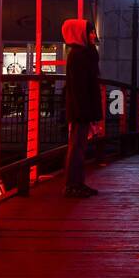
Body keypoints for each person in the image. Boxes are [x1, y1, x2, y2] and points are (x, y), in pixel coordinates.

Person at [62, 18, 102, 198]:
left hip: (82, 108)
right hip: (81, 109)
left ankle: (77, 183)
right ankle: (72, 184)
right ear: (81, 35)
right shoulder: (79, 56)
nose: (93, 35)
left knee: (79, 146)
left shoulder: (82, 54)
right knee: (77, 146)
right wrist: (86, 111)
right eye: (90, 32)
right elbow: (80, 88)